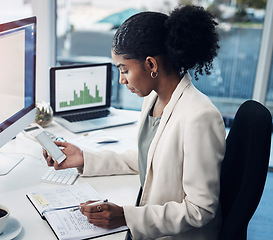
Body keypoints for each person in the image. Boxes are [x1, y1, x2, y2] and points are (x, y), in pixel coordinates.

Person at [43, 5, 226, 240]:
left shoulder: (200, 116)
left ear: (151, 65)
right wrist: (85, 158)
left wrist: (127, 217)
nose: (121, 80)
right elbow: (149, 159)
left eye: (124, 70)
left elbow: (201, 210)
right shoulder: (153, 98)